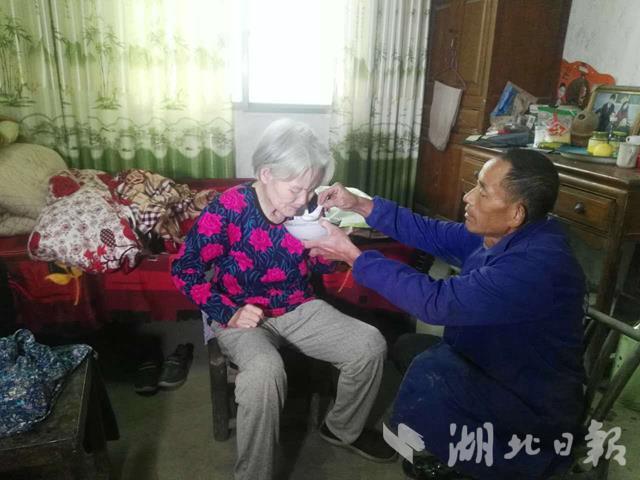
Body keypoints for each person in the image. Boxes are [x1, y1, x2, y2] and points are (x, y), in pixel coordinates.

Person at [304, 148, 586, 479]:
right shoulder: (507, 233)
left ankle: (483, 461)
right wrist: (360, 205)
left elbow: (436, 302)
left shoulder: (535, 267)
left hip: (527, 397)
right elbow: (431, 233)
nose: (468, 197)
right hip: (495, 358)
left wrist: (353, 256)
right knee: (409, 348)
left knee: (428, 370)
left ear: (516, 213)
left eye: (483, 191)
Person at [171, 118, 395, 480]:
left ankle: (341, 429)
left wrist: (332, 252)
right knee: (264, 373)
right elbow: (184, 269)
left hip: (298, 306)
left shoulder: (308, 208)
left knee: (369, 345)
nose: (304, 199)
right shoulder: (229, 208)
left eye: (311, 188)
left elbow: (312, 264)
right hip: (241, 314)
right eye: (295, 189)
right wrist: (227, 311)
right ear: (266, 174)